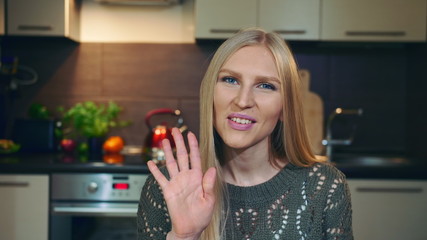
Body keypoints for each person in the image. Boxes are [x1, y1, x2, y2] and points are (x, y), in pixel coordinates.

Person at [137, 27, 353, 240]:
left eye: (265, 86)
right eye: (230, 80)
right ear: (210, 93)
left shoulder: (324, 186)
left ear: (285, 108)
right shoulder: (167, 186)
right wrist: (184, 237)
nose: (243, 101)